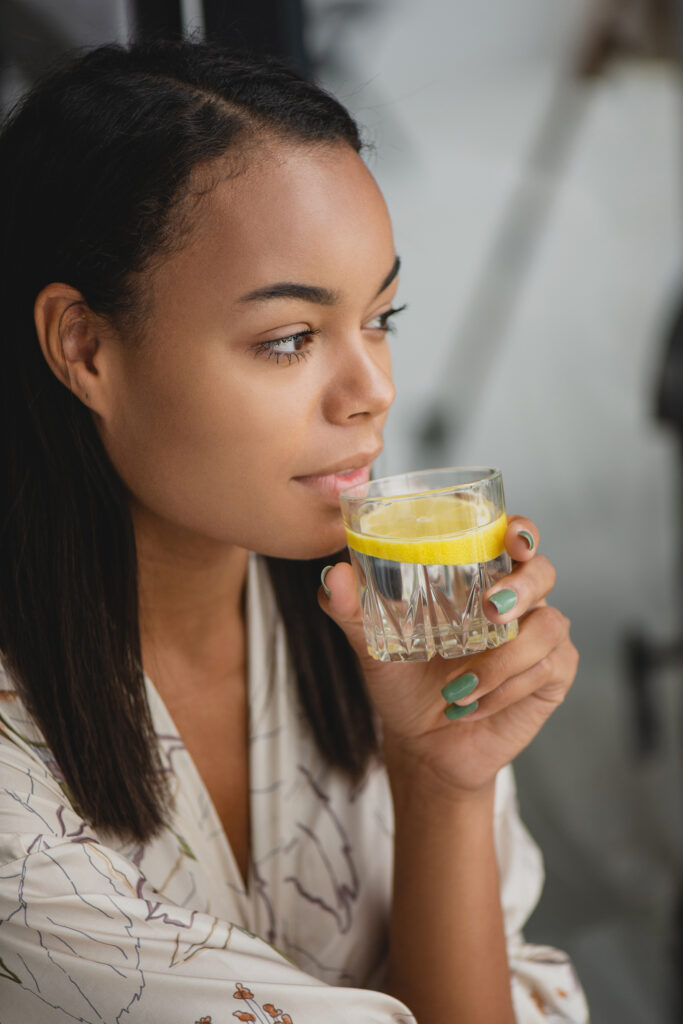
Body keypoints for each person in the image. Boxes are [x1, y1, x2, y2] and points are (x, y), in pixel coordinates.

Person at [0, 40, 588, 1024]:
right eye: (289, 340)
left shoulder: (382, 627)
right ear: (85, 346)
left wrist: (445, 778)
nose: (375, 391)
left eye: (382, 317)